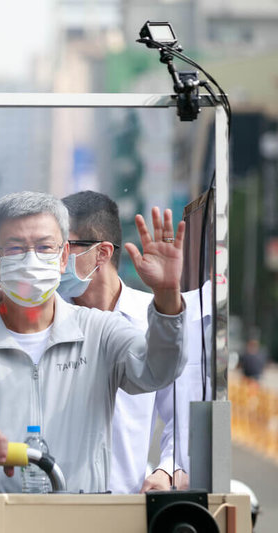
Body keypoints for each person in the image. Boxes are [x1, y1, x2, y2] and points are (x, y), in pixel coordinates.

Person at [0, 191, 187, 493]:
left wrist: (167, 299)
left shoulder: (99, 331)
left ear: (63, 258)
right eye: (15, 247)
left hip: (80, 519)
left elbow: (157, 371)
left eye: (44, 247)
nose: (31, 259)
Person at [59, 190, 191, 493]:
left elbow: (179, 417)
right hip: (53, 503)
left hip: (127, 502)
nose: (55, 259)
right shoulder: (47, 318)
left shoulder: (158, 319)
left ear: (102, 253)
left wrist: (166, 471)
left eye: (64, 247)